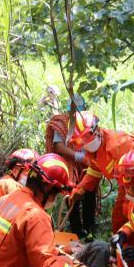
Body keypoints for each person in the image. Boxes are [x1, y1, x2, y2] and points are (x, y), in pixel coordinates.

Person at [67, 112, 134, 232]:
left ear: (95, 130)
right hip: (126, 180)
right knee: (120, 214)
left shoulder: (118, 144)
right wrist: (80, 189)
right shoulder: (95, 151)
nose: (83, 143)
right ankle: (121, 244)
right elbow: (95, 170)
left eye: (85, 138)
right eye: (79, 142)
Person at [45, 94, 96, 237]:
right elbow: (59, 147)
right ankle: (77, 232)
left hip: (87, 167)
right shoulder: (61, 123)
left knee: (89, 197)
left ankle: (89, 231)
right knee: (72, 197)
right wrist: (78, 156)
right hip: (70, 167)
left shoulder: (87, 121)